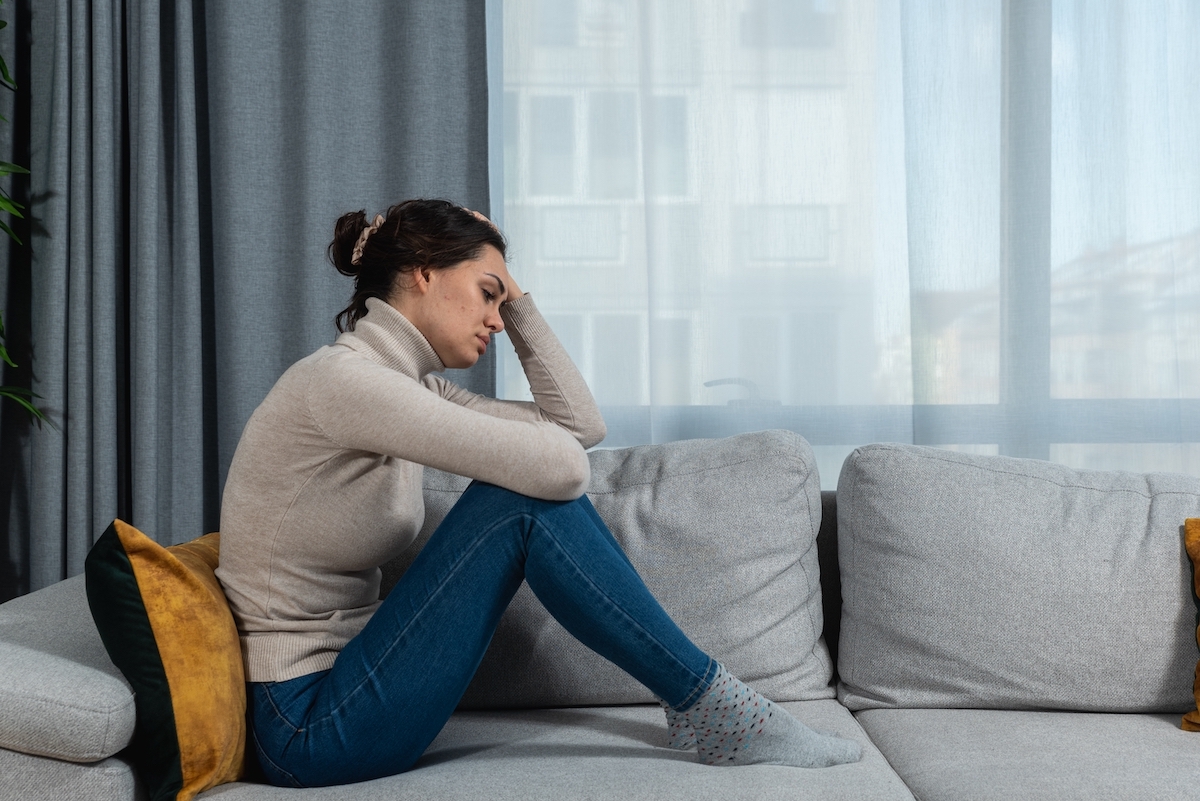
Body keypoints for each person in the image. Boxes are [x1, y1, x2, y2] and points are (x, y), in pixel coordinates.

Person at [215, 199, 861, 788]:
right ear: (423, 271)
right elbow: (563, 470)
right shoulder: (346, 385)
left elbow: (580, 427)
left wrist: (517, 297)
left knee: (526, 493)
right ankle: (714, 705)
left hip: (351, 682)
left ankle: (706, 704)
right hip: (304, 722)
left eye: (504, 302)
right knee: (519, 502)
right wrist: (497, 275)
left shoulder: (403, 388)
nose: (496, 318)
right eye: (488, 294)